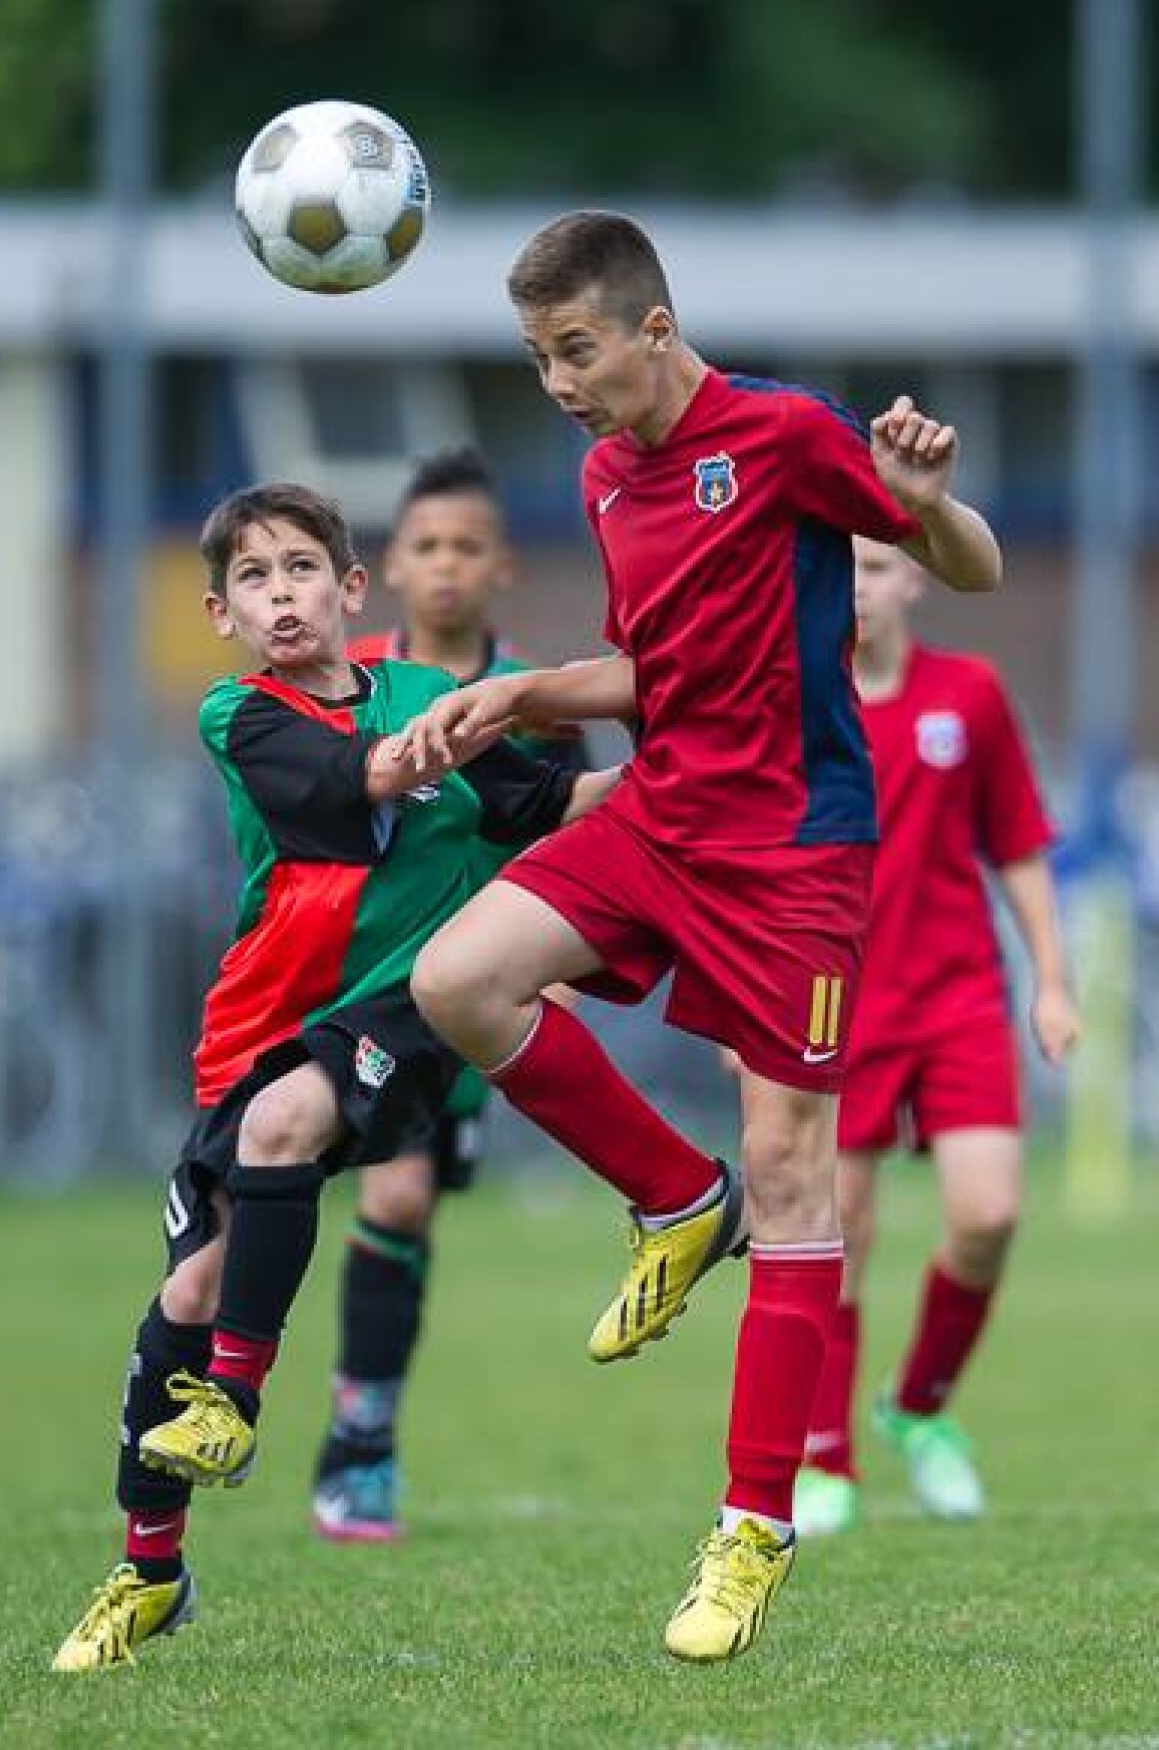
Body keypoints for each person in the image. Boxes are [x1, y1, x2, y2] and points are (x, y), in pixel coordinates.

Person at [396, 211, 1003, 1663]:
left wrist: (922, 500)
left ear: (653, 331)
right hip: (661, 814)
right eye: (539, 356)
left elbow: (969, 570)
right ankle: (678, 1200)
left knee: (797, 1173)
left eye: (576, 349)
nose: (557, 380)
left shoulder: (784, 433)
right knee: (459, 981)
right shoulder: (607, 471)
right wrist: (519, 694)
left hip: (796, 848)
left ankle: (752, 1528)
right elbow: (659, 672)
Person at [52, 481, 618, 1672]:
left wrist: (696, 762)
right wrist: (449, 733)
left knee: (290, 1121)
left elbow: (550, 802)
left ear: (352, 589)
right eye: (253, 579)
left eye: (301, 568)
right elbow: (350, 782)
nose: (280, 594)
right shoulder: (237, 713)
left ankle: (242, 1404)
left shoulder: (432, 698)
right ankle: (149, 1568)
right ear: (223, 612)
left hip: (408, 1013)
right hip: (260, 1024)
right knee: (185, 1298)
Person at [312, 446, 588, 1542]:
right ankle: (361, 1445)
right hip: (362, 992)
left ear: (502, 565)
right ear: (389, 565)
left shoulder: (534, 702)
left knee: (413, 1209)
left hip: (479, 994)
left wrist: (560, 972)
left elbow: (581, 835)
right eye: (425, 545)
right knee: (397, 1197)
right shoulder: (349, 688)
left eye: (466, 545)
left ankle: (362, 1420)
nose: (445, 565)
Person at [793, 536, 1079, 1538]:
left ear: (913, 577)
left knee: (989, 1214)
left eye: (874, 567)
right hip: (838, 1002)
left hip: (959, 995)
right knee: (843, 1232)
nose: (857, 588)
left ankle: (916, 1406)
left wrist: (1053, 981)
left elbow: (1020, 842)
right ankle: (825, 1459)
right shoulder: (798, 706)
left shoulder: (972, 693)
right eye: (838, 569)